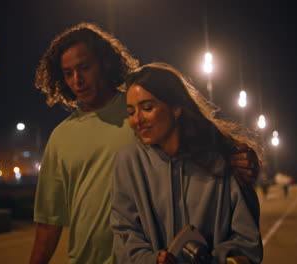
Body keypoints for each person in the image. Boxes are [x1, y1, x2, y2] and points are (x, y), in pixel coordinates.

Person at [29, 23, 260, 264]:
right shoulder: (61, 137)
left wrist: (235, 154)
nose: (77, 80)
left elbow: (195, 134)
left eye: (84, 68)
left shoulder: (145, 113)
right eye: (68, 73)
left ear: (104, 63)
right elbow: (48, 223)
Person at [110, 63, 263, 264]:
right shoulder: (128, 162)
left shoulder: (224, 161)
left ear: (175, 108)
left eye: (147, 108)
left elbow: (247, 242)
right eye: (131, 112)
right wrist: (152, 260)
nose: (137, 120)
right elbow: (124, 233)